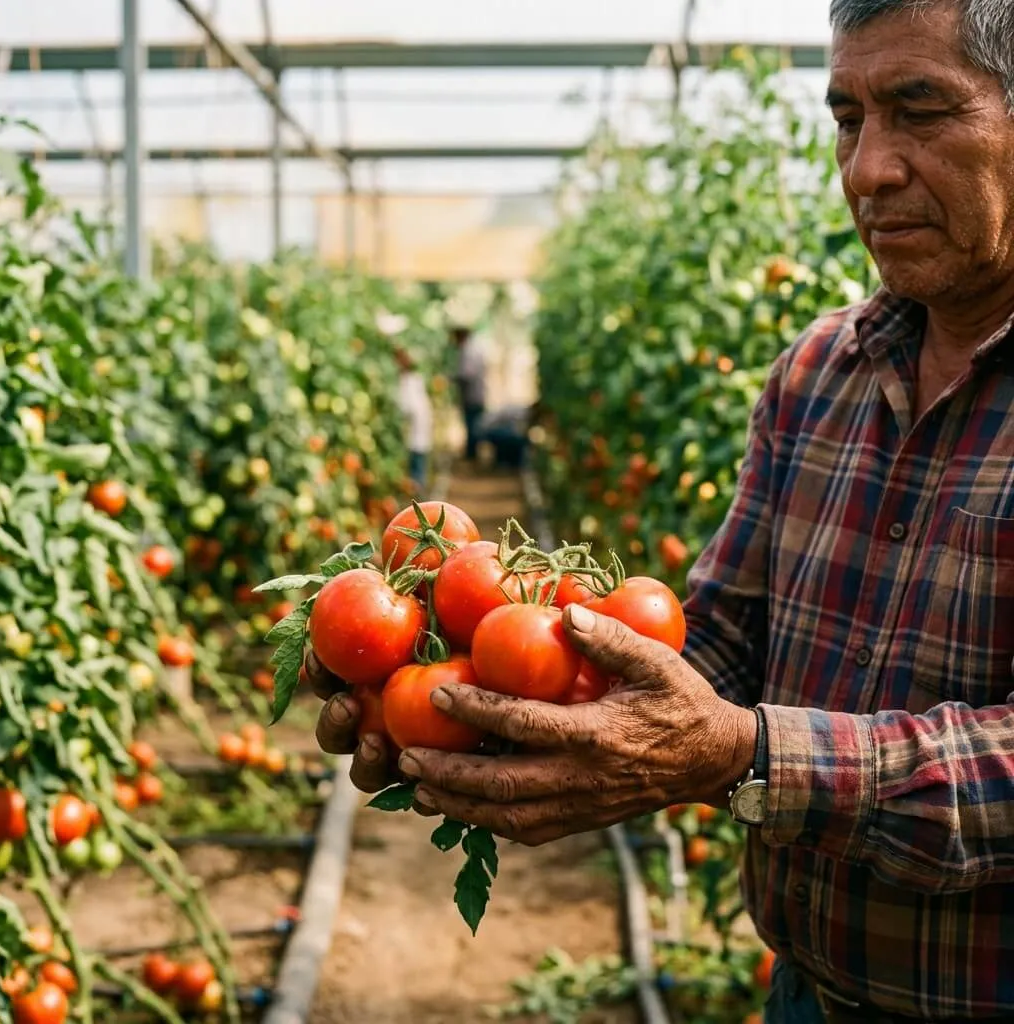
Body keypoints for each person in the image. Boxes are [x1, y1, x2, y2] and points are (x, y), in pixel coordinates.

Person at [312, 3, 1014, 1021]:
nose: (868, 169)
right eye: (846, 117)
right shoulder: (818, 374)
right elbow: (720, 639)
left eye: (920, 110)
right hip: (808, 992)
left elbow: (739, 730)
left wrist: (746, 752)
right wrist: (525, 717)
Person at [394, 347, 433, 494]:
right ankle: (418, 487)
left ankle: (418, 489)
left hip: (415, 424)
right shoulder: (414, 378)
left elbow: (408, 406)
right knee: (418, 454)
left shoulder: (409, 380)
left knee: (417, 457)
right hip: (418, 423)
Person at [451, 326, 486, 462]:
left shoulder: (469, 351)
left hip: (472, 396)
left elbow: (467, 374)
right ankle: (472, 453)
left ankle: (472, 455)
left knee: (473, 425)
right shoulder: (474, 349)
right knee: (473, 424)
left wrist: (451, 378)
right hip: (476, 395)